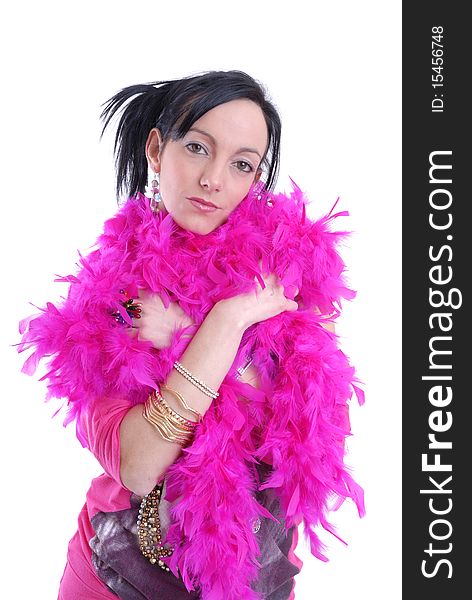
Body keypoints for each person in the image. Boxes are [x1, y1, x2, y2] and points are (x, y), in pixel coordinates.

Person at [18, 70, 364, 600]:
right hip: (119, 576)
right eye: (198, 148)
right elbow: (138, 463)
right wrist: (228, 323)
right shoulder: (112, 294)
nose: (213, 179)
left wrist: (188, 331)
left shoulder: (289, 268)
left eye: (242, 164)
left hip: (260, 574)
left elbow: (319, 430)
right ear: (157, 149)